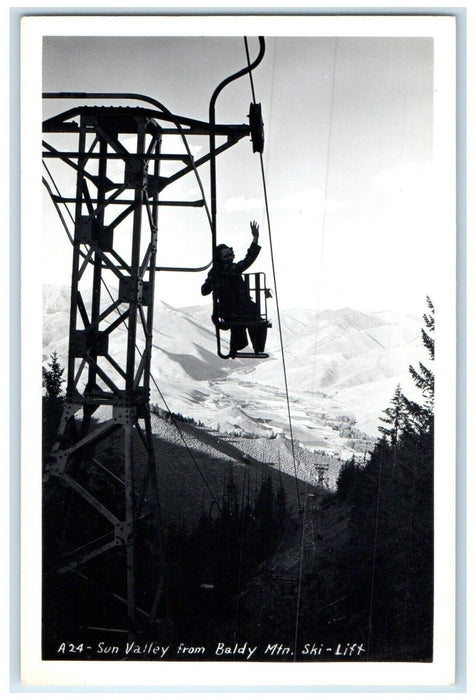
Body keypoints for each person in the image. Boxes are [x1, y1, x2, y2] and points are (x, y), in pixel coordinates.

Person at [201, 220, 267, 357]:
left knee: (242, 319)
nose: (230, 258)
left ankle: (237, 345)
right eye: (227, 256)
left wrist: (211, 283)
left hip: (227, 309)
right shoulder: (232, 269)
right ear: (220, 258)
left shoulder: (215, 272)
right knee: (254, 316)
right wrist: (255, 239)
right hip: (238, 308)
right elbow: (248, 259)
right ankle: (255, 345)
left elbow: (204, 290)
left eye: (231, 255)